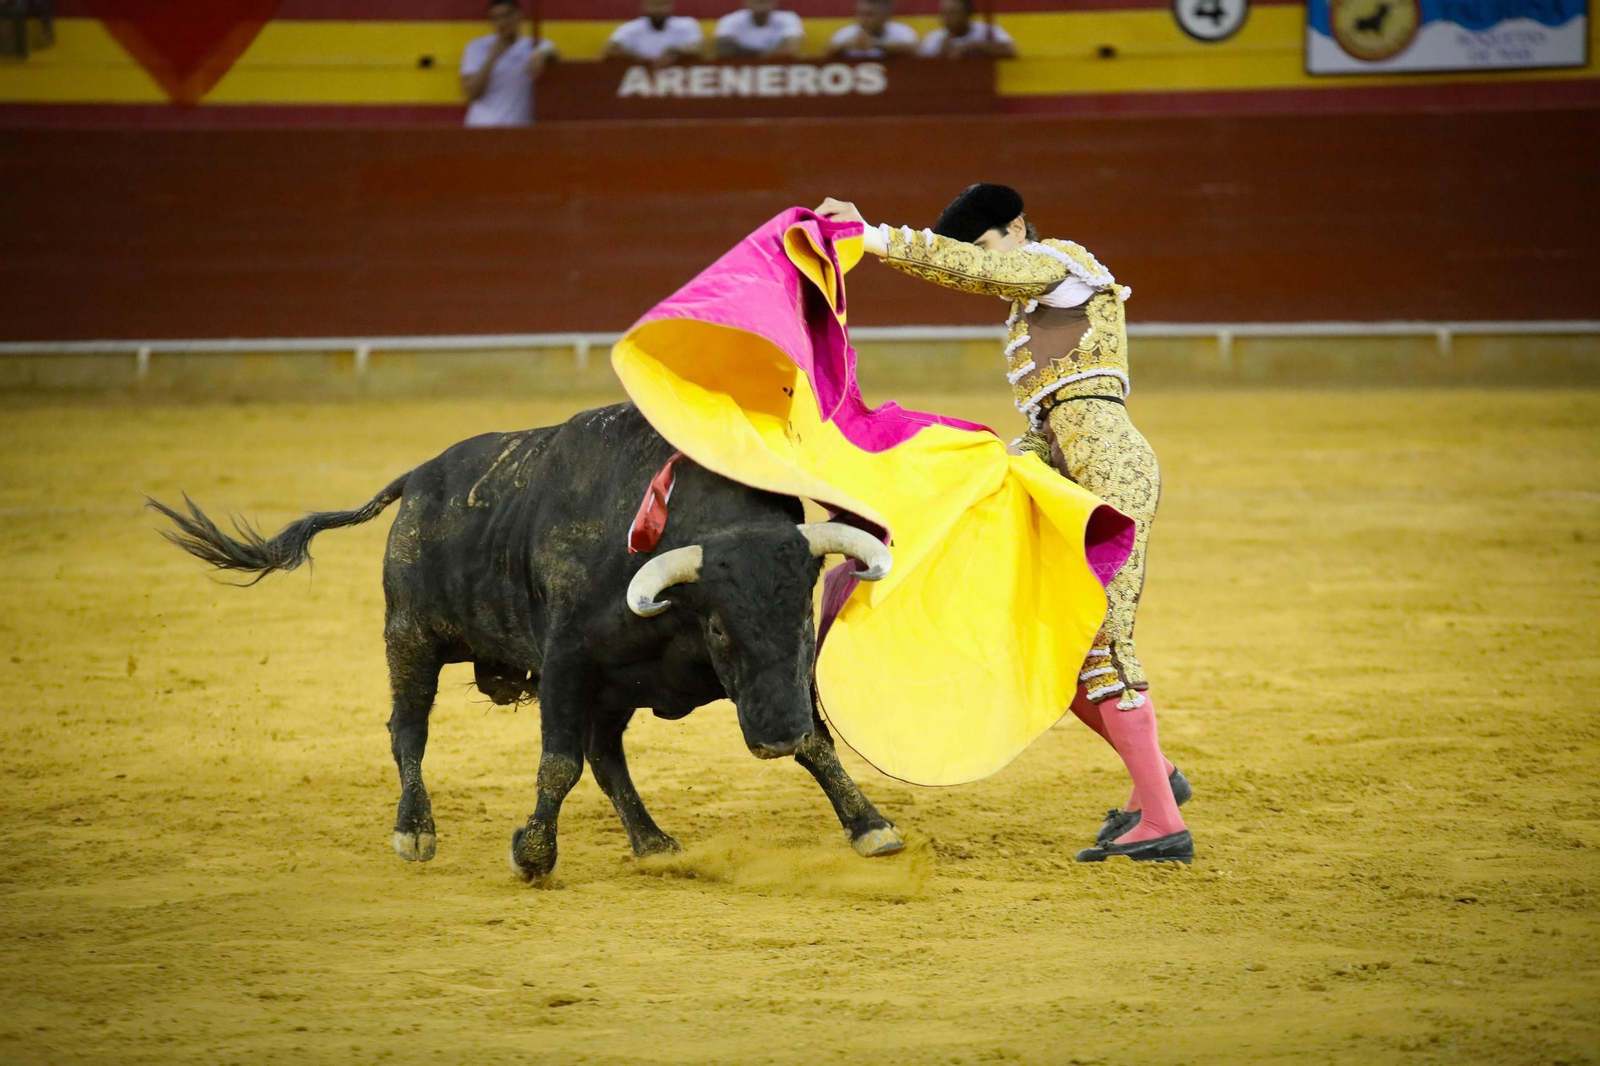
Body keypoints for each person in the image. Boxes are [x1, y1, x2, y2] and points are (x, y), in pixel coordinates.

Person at [813, 186, 1193, 863]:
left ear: (1016, 228)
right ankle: (1155, 779)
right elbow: (1045, 416)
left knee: (1103, 638)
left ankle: (1163, 822)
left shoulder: (1061, 264)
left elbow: (981, 271)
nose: (983, 263)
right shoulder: (1034, 304)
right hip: (1066, 473)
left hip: (1108, 469)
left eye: (986, 243)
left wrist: (871, 237)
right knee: (1066, 642)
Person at [459, 0, 557, 128]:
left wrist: (544, 55)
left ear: (519, 15)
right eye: (497, 18)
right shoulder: (478, 47)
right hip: (482, 127)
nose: (503, 22)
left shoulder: (533, 46)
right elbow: (472, 93)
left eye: (507, 15)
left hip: (518, 131)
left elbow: (553, 52)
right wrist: (491, 58)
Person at [605, 0, 705, 65]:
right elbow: (609, 50)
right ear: (644, 6)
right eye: (653, 5)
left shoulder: (687, 24)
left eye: (662, 5)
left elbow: (699, 49)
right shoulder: (631, 28)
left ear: (670, 5)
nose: (657, 10)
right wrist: (640, 59)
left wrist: (675, 51)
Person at [917, 0, 1017, 58]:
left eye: (953, 13)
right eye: (945, 13)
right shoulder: (934, 38)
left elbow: (1011, 50)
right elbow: (922, 67)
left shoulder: (985, 30)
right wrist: (941, 52)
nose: (947, 18)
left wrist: (973, 46)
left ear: (968, 14)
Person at [827, 0, 918, 59]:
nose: (864, 19)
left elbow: (914, 50)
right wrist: (847, 45)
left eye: (870, 15)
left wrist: (875, 44)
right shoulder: (847, 33)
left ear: (885, 15)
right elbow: (825, 54)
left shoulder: (901, 31)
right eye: (861, 14)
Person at [714, 1, 804, 58]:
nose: (760, 1)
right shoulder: (730, 20)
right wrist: (765, 56)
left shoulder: (788, 18)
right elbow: (723, 47)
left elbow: (791, 48)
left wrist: (750, 57)